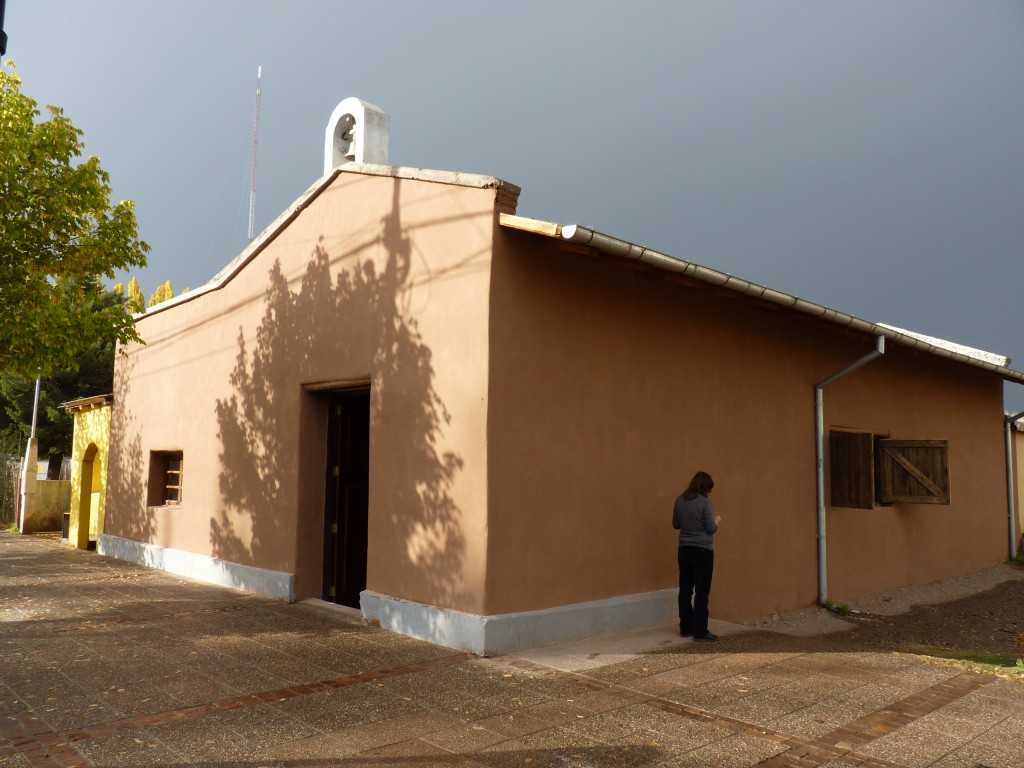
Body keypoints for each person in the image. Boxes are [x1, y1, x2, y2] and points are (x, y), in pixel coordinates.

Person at [672, 471, 721, 641]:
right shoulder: (705, 503)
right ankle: (700, 631)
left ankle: (685, 628)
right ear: (705, 488)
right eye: (709, 489)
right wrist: (717, 521)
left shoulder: (679, 500)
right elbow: (710, 528)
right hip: (702, 551)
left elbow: (675, 524)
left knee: (685, 589)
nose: (710, 492)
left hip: (684, 550)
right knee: (702, 590)